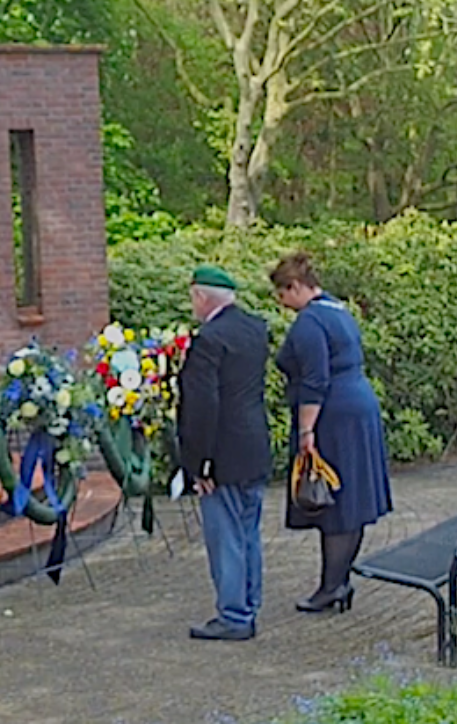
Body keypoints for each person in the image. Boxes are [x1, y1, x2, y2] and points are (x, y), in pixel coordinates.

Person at [270, 251, 393, 614]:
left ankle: (330, 587)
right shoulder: (339, 310)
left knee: (334, 503)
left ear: (294, 287)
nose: (281, 303)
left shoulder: (309, 322)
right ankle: (337, 582)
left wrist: (306, 430)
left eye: (281, 294)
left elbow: (315, 380)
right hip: (359, 407)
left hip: (334, 416)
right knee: (349, 501)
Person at [176, 265, 273, 641]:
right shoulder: (255, 329)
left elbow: (203, 407)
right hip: (253, 445)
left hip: (222, 454)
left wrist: (199, 462)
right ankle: (249, 603)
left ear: (201, 297)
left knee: (226, 536)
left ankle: (234, 615)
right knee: (248, 530)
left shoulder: (209, 341)